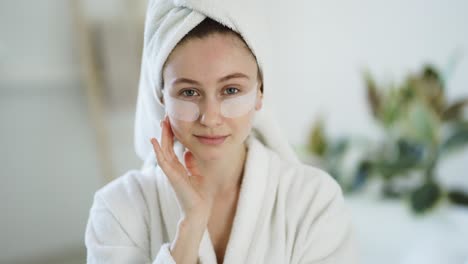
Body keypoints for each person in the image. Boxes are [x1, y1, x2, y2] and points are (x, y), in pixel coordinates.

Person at [85, 0, 358, 263]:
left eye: (231, 90)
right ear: (161, 98)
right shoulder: (118, 209)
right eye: (189, 92)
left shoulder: (314, 202)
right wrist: (190, 228)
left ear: (259, 92)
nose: (210, 117)